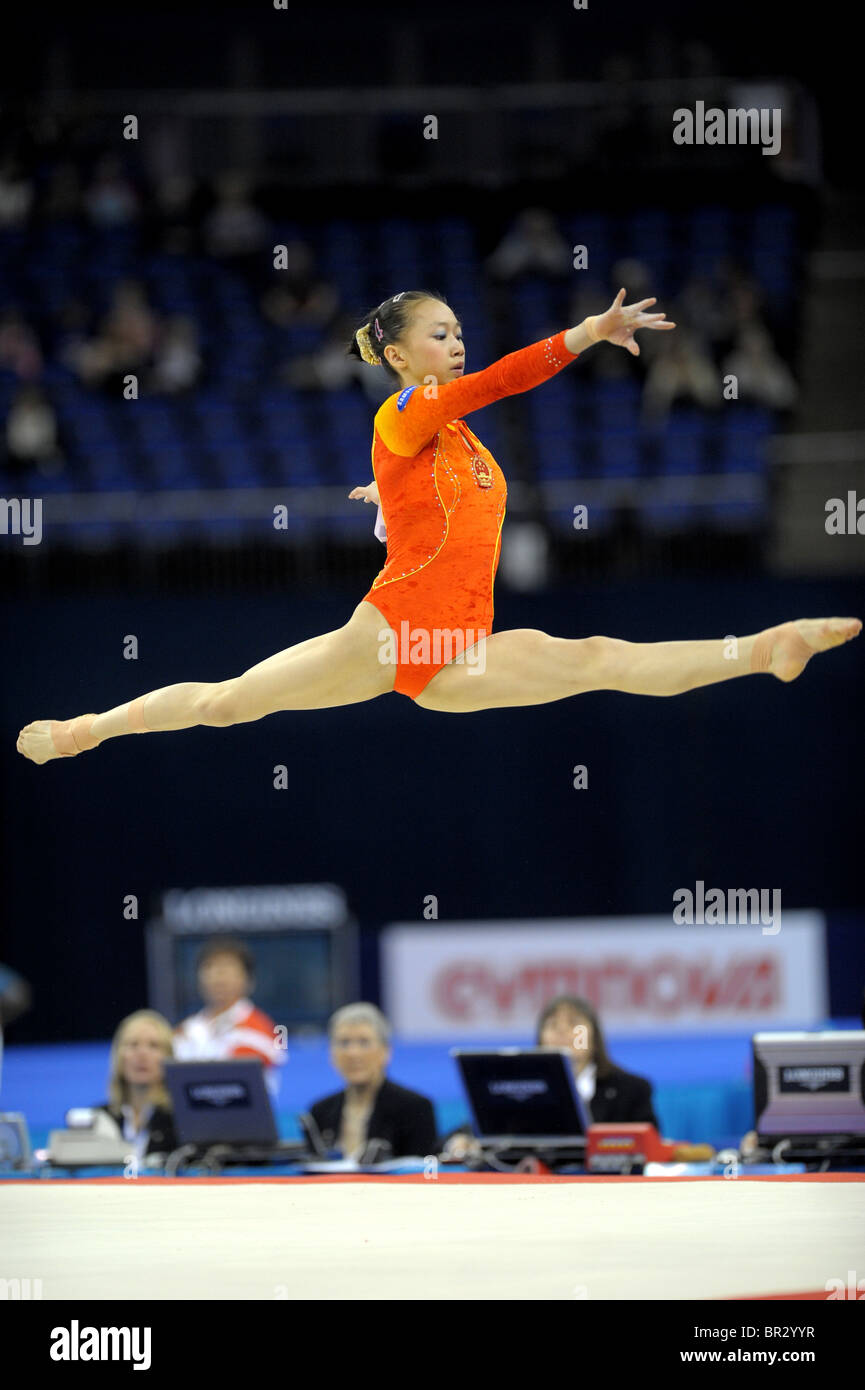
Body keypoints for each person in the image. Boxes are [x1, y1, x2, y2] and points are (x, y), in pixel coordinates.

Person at [17, 287, 861, 766]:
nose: (455, 345)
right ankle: (89, 729)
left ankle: (761, 647)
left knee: (597, 658)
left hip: (452, 653)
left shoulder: (452, 441)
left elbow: (430, 498)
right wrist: (587, 333)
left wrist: (388, 501)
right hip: (391, 635)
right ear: (397, 354)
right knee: (229, 705)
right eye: (440, 334)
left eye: (460, 332)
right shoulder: (405, 409)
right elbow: (486, 388)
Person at [443, 994, 657, 1160]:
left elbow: (651, 1147)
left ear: (593, 1037)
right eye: (553, 1025)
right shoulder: (522, 1087)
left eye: (574, 1024)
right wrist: (460, 1142)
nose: (563, 1031)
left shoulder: (631, 1089)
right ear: (540, 1038)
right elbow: (482, 1129)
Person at [305, 1003, 438, 1161]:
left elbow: (422, 1176)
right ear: (331, 1054)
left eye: (364, 1042)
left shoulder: (415, 1109)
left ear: (386, 1052)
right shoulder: (320, 1111)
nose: (353, 1053)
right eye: (344, 1043)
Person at [173, 938, 285, 1098]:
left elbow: (230, 1082)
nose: (218, 976)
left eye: (227, 968)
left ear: (249, 980)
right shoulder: (186, 1029)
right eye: (209, 967)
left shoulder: (261, 1029)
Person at [95, 1010, 178, 1162]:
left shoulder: (180, 1123)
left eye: (153, 1046)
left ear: (169, 1057)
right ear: (118, 1057)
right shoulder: (97, 1120)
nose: (142, 1054)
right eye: (133, 1045)